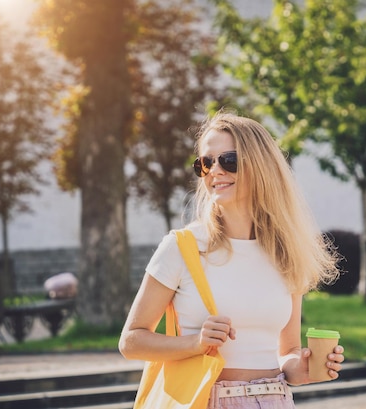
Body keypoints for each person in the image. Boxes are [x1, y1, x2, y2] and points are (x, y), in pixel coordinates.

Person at [118, 112, 344, 408]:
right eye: (205, 163)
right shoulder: (182, 247)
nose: (214, 171)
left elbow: (287, 350)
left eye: (228, 160)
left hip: (275, 400)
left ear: (261, 167)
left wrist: (302, 368)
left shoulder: (287, 251)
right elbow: (131, 341)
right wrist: (195, 343)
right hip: (207, 400)